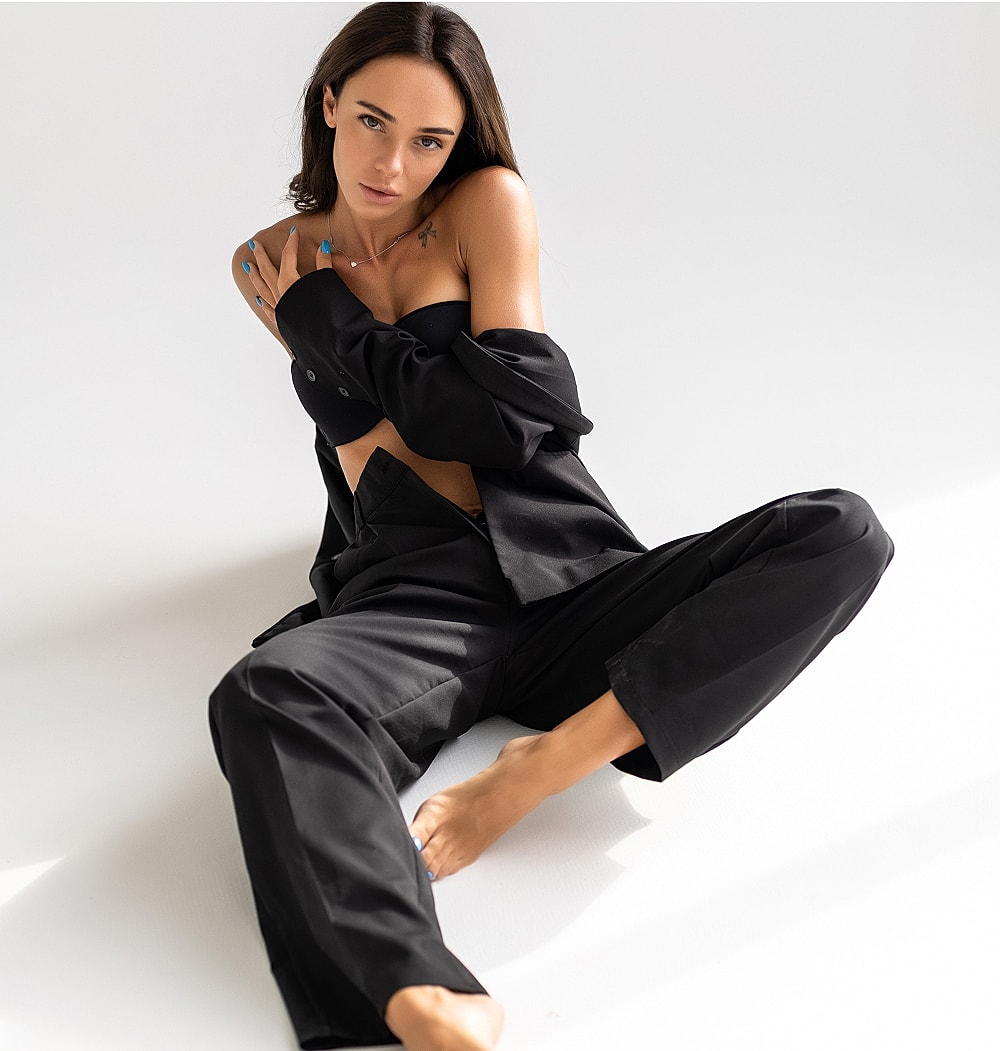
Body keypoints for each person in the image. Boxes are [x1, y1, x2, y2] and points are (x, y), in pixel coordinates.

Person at [210, 4, 894, 1049]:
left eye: (429, 138)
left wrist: (332, 323)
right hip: (420, 594)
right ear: (326, 107)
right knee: (269, 691)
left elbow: (509, 417)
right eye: (372, 122)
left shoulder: (484, 204)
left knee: (842, 530)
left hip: (569, 576)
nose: (393, 162)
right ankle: (412, 997)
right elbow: (387, 437)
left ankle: (542, 764)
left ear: (460, 142)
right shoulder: (269, 255)